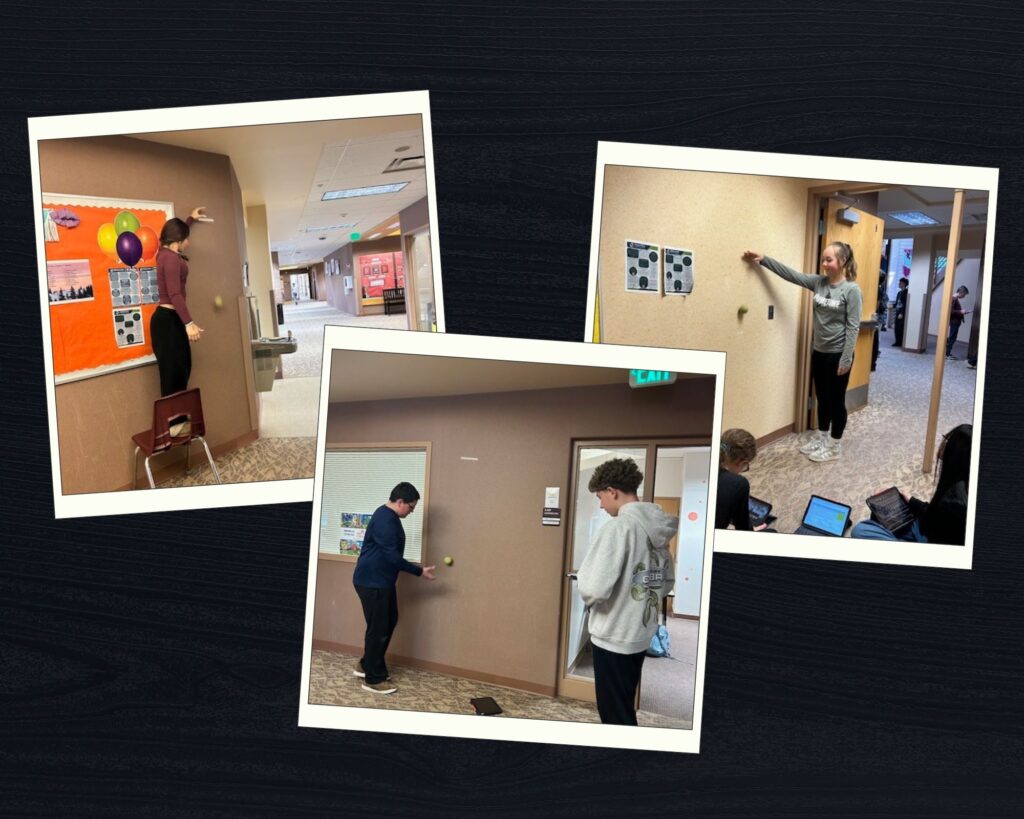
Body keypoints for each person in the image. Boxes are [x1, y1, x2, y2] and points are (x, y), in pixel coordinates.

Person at [577, 458, 677, 725]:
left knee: (614, 714)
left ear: (612, 491)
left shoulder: (618, 528)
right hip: (640, 634)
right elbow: (666, 583)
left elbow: (593, 587)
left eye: (600, 497)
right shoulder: (658, 528)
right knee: (624, 705)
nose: (601, 505)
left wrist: (584, 583)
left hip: (614, 636)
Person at [743, 243, 863, 463]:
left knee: (836, 401)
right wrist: (765, 259)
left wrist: (846, 359)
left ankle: (834, 446)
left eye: (829, 260)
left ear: (842, 262)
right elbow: (793, 275)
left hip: (838, 355)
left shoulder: (851, 290)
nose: (824, 264)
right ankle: (822, 437)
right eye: (824, 259)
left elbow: (853, 327)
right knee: (822, 399)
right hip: (819, 352)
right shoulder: (818, 283)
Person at [352, 482, 436, 694]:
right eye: (410, 507)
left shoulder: (388, 516)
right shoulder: (385, 520)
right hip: (372, 582)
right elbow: (392, 557)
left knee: (387, 621)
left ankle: (366, 664)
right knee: (379, 628)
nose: (411, 511)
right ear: (400, 502)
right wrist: (419, 571)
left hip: (380, 581)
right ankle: (373, 678)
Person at [852, 424, 971, 545]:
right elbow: (937, 517)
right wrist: (910, 500)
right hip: (928, 527)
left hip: (927, 540)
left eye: (947, 440)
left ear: (956, 454)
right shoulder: (960, 485)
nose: (943, 443)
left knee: (860, 530)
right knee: (884, 508)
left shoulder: (955, 501)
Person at [151, 208, 207, 415]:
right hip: (168, 321)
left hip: (170, 320)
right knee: (173, 375)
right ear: (179, 239)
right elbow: (175, 295)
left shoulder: (164, 253)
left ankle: (177, 423)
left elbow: (175, 236)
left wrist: (190, 219)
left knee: (181, 369)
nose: (188, 243)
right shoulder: (171, 259)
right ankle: (174, 425)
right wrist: (189, 324)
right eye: (186, 239)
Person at [715, 428, 768, 532]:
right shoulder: (737, 484)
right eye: (745, 466)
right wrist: (752, 530)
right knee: (771, 533)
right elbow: (742, 528)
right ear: (741, 462)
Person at [946, 285, 970, 359]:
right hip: (954, 322)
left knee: (952, 337)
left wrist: (963, 312)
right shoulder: (954, 298)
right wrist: (960, 311)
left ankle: (947, 353)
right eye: (965, 295)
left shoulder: (955, 298)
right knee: (952, 338)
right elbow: (950, 311)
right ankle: (947, 354)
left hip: (955, 322)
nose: (964, 296)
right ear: (961, 293)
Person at [893, 277, 909, 347]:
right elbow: (897, 303)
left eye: (900, 283)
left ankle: (900, 342)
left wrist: (901, 313)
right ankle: (897, 341)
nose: (899, 284)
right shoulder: (899, 293)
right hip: (897, 311)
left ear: (904, 284)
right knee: (896, 327)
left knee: (900, 327)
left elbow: (905, 303)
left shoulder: (906, 292)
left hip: (901, 313)